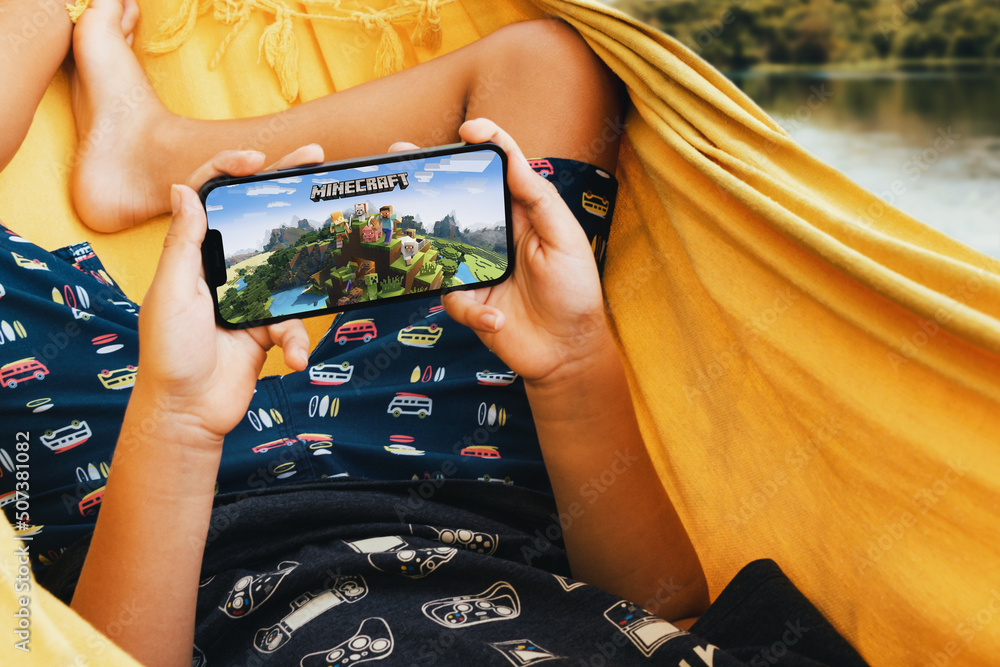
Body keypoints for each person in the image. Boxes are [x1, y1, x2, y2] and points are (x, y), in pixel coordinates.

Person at [0, 1, 869, 666]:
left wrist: (180, 423)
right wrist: (571, 366)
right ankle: (154, 153)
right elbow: (667, 605)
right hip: (463, 485)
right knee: (544, 70)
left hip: (150, 527)